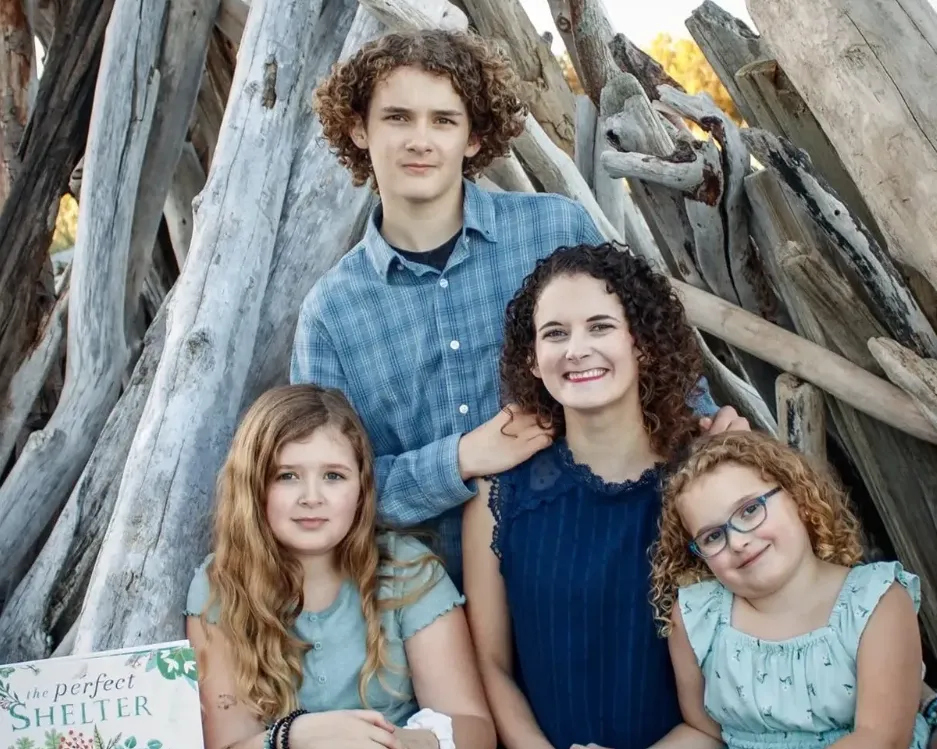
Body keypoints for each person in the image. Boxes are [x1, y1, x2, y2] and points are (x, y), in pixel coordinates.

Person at [291, 28, 744, 589]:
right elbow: (324, 488)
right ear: (359, 129)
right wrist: (459, 459)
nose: (420, 140)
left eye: (444, 120)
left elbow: (654, 366)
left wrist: (708, 430)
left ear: (475, 137)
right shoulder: (331, 314)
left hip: (609, 564)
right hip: (436, 602)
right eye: (397, 118)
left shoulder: (555, 230)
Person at [461, 242, 730, 749]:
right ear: (533, 360)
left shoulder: (705, 483)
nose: (576, 349)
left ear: (641, 343)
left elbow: (732, 684)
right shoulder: (498, 496)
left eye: (600, 326)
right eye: (555, 333)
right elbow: (489, 663)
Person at [185, 384, 495, 749]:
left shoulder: (408, 570)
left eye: (333, 476)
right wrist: (294, 736)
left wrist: (391, 741)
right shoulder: (221, 585)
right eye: (287, 476)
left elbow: (475, 728)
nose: (311, 497)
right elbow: (227, 743)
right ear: (253, 486)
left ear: (361, 488)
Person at [650, 430, 931, 749]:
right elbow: (705, 732)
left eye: (750, 510)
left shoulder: (875, 602)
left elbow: (881, 739)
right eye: (713, 536)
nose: (738, 541)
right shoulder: (698, 618)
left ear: (797, 496)